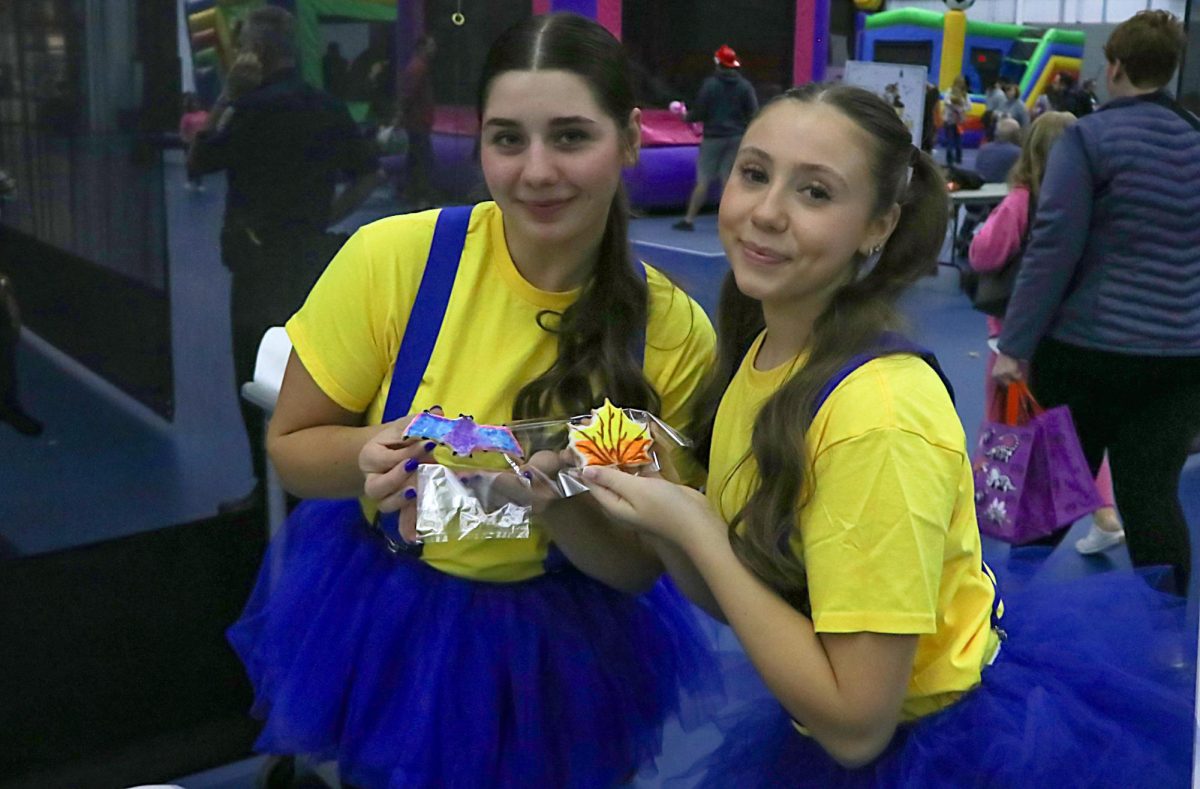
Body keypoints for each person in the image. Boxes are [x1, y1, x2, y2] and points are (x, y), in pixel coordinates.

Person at [580, 82, 1191, 787]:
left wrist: (692, 526)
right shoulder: (765, 355)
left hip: (925, 746)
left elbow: (856, 725)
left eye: (815, 192)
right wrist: (669, 513)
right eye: (753, 174)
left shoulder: (878, 420)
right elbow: (746, 594)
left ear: (878, 225)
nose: (766, 212)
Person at [226, 12, 719, 789]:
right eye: (507, 138)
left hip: (564, 644)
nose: (535, 171)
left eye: (570, 136)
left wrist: (555, 502)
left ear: (629, 141)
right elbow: (291, 446)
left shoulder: (670, 334)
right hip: (396, 614)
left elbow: (632, 570)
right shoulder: (395, 260)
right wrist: (362, 457)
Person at [994, 10, 1200, 595]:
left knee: (1054, 492)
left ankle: (1010, 619)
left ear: (1113, 67)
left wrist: (1015, 345)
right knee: (1152, 498)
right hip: (1179, 360)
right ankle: (1167, 648)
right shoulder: (1196, 141)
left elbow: (1054, 247)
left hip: (1088, 352)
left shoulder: (1088, 138)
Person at [189, 6, 381, 514]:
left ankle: (266, 487)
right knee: (320, 378)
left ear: (255, 52)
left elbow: (199, 158)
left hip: (256, 264)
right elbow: (367, 174)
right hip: (311, 258)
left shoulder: (246, 109)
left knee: (254, 375)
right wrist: (329, 214)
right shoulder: (324, 105)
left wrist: (227, 94)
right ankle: (324, 489)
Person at [969, 111, 1125, 555]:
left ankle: (995, 502)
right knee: (1072, 430)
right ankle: (1105, 512)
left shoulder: (1021, 200)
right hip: (1075, 332)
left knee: (1005, 419)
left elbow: (984, 254)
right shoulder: (1096, 200)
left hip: (1016, 333)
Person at [672, 44, 758, 231]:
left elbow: (700, 111)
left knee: (703, 180)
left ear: (717, 63)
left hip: (713, 138)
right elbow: (753, 113)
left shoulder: (710, 85)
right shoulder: (745, 86)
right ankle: (730, 223)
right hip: (736, 137)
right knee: (728, 180)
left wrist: (685, 116)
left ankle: (688, 220)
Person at [399, 35, 437, 208]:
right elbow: (408, 95)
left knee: (415, 158)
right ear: (422, 47)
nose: (434, 48)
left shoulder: (418, 67)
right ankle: (421, 197)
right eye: (431, 45)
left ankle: (411, 193)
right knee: (422, 159)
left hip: (417, 120)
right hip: (418, 121)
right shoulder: (417, 68)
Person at [972, 116, 1021, 183]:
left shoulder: (983, 148)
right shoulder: (1017, 152)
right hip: (1002, 189)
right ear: (1016, 135)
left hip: (982, 187)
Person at [178, 92, 209, 192]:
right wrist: (184, 139)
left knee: (198, 162)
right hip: (190, 142)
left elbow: (208, 126)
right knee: (191, 162)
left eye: (197, 103)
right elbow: (182, 129)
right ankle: (189, 179)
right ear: (190, 105)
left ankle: (199, 183)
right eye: (193, 103)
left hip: (201, 142)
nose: (196, 105)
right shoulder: (186, 116)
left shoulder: (204, 114)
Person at [941, 75, 969, 166]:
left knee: (957, 140)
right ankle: (952, 159)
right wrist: (955, 106)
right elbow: (946, 102)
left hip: (958, 121)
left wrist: (961, 107)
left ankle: (957, 158)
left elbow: (968, 106)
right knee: (952, 140)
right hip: (950, 120)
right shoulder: (950, 92)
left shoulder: (964, 94)